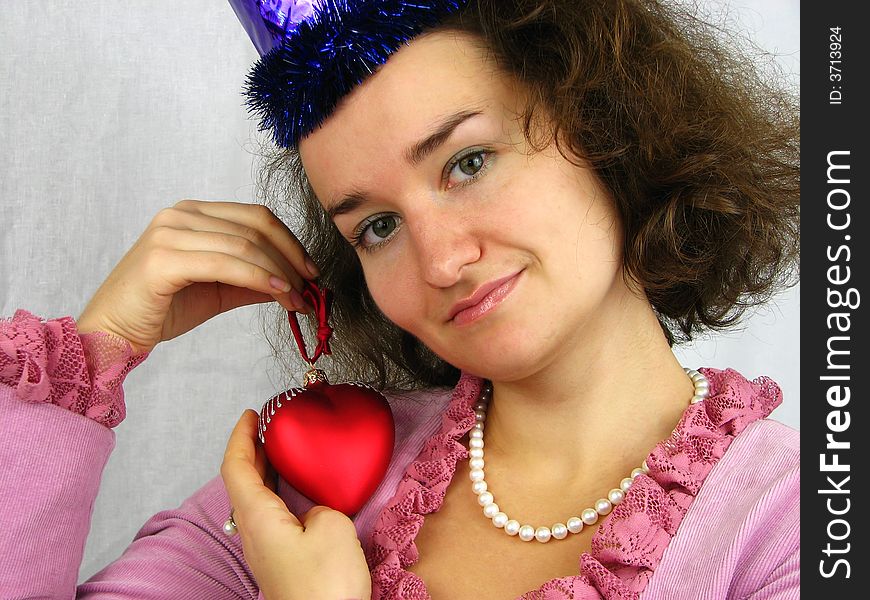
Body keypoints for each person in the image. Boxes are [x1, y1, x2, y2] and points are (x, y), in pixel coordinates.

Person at [0, 0, 800, 598]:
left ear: (604, 119)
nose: (443, 260)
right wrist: (96, 351)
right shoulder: (306, 495)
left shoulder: (792, 527)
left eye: (467, 162)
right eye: (378, 226)